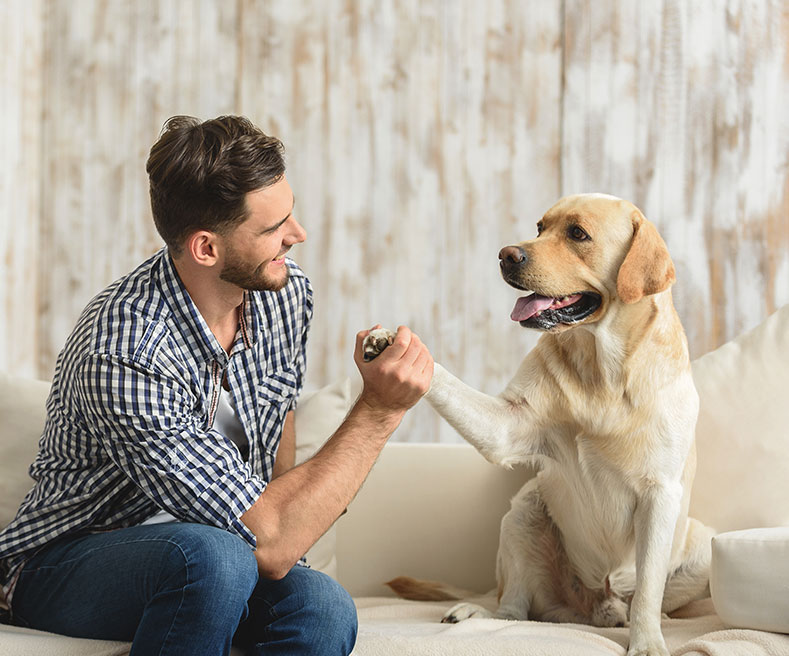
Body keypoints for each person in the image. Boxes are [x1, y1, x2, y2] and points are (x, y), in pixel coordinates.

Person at [0, 115, 433, 655]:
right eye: (273, 229)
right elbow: (268, 543)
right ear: (206, 248)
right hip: (70, 560)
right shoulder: (124, 349)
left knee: (322, 607)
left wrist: (289, 544)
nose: (296, 236)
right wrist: (379, 411)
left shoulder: (283, 292)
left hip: (221, 547)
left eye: (290, 215)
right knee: (212, 558)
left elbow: (278, 422)